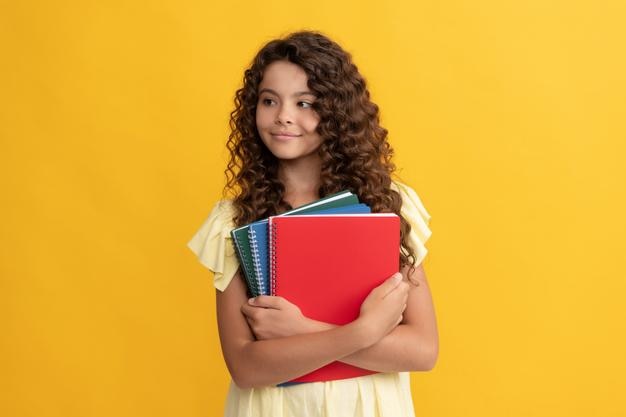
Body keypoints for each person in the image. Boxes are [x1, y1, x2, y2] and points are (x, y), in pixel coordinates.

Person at [187, 30, 438, 417]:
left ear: (336, 112)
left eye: (305, 102)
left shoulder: (386, 207)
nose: (283, 115)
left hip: (366, 407)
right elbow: (246, 367)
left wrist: (300, 328)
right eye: (269, 100)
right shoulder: (232, 221)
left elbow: (422, 350)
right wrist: (364, 332)